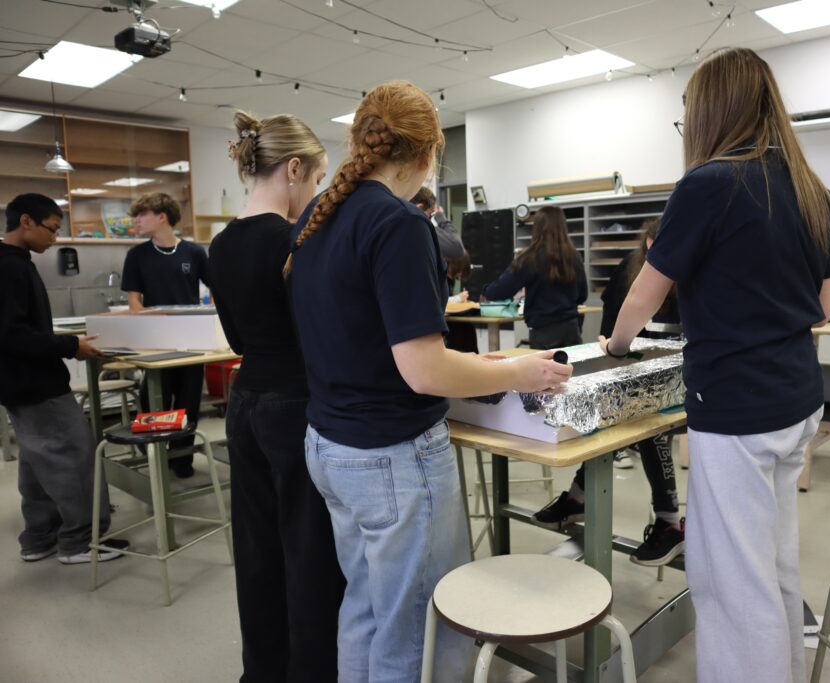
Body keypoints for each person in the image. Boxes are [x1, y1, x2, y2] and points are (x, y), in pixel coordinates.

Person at [286, 80, 572, 682]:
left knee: (366, 609)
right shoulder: (399, 223)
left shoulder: (318, 215)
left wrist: (491, 365)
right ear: (426, 154)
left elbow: (372, 344)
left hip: (330, 446)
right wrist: (518, 370)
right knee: (415, 628)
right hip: (392, 458)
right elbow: (423, 371)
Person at [600, 47, 830, 683]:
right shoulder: (814, 191)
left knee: (733, 581)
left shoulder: (708, 185)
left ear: (711, 112)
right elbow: (821, 308)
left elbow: (643, 296)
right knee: (774, 560)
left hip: (737, 409)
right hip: (797, 400)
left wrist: (616, 347)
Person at [207, 112, 345, 682]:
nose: (315, 192)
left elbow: (237, 340)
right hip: (296, 406)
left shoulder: (218, 245)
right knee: (309, 553)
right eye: (315, 179)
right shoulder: (295, 242)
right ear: (293, 169)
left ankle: (262, 672)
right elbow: (320, 334)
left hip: (245, 402)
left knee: (258, 549)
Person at [533, 217, 685, 566]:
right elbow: (613, 321)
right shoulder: (630, 269)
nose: (656, 263)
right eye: (650, 254)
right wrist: (611, 350)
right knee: (611, 409)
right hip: (640, 372)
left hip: (681, 379)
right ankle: (579, 498)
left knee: (644, 423)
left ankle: (667, 520)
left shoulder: (691, 274)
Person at [0, 193, 129, 565]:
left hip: (18, 383)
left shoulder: (14, 263)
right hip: (36, 383)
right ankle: (80, 541)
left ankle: (39, 537)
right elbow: (12, 334)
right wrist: (71, 346)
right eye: (52, 229)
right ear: (26, 221)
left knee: (37, 459)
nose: (55, 238)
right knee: (73, 456)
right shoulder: (11, 268)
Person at [121, 192, 208, 478]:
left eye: (141, 214)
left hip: (191, 344)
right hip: (156, 345)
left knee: (188, 403)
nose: (136, 220)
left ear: (162, 217)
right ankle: (156, 457)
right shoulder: (137, 256)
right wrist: (153, 323)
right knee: (153, 401)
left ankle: (182, 460)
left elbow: (216, 289)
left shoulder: (194, 253)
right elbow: (134, 303)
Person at [482, 205, 588, 349]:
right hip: (572, 330)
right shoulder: (574, 257)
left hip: (543, 332)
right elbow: (582, 295)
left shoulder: (530, 258)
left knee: (545, 365)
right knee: (571, 364)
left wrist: (486, 291)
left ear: (537, 227)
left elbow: (501, 290)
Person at [412, 185, 464, 263]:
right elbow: (456, 247)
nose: (429, 219)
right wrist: (440, 216)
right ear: (420, 208)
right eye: (431, 214)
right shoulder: (419, 228)